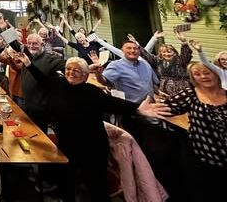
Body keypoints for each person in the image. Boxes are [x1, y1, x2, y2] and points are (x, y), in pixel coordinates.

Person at [17, 54, 170, 202]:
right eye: (68, 69)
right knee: (66, 182)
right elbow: (41, 79)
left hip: (92, 147)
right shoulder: (58, 84)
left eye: (76, 70)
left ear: (85, 75)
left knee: (96, 186)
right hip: (67, 144)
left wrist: (138, 109)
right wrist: (29, 64)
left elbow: (114, 103)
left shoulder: (92, 92)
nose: (70, 73)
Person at [162, 63, 226, 202]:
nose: (203, 76)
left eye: (207, 72)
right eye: (197, 74)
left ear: (216, 73)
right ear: (193, 78)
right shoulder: (191, 94)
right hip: (206, 158)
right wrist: (140, 108)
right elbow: (166, 108)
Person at [18, 33, 65, 131]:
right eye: (29, 43)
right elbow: (15, 44)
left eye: (35, 43)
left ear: (42, 44)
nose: (31, 46)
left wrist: (86, 67)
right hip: (26, 105)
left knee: (40, 137)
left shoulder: (50, 59)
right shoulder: (28, 55)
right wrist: (4, 29)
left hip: (40, 108)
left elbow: (67, 64)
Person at [93, 40, 158, 104]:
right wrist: (98, 73)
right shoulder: (116, 65)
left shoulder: (145, 64)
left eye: (135, 48)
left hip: (151, 105)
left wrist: (159, 93)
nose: (132, 50)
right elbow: (104, 81)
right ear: (122, 50)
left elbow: (153, 83)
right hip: (132, 108)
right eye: (129, 48)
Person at [132, 31, 192, 99]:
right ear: (161, 54)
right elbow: (146, 55)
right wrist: (136, 45)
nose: (166, 54)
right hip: (164, 92)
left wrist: (184, 42)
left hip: (181, 91)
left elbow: (186, 54)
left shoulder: (181, 60)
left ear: (175, 53)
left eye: (169, 52)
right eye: (164, 52)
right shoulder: (158, 61)